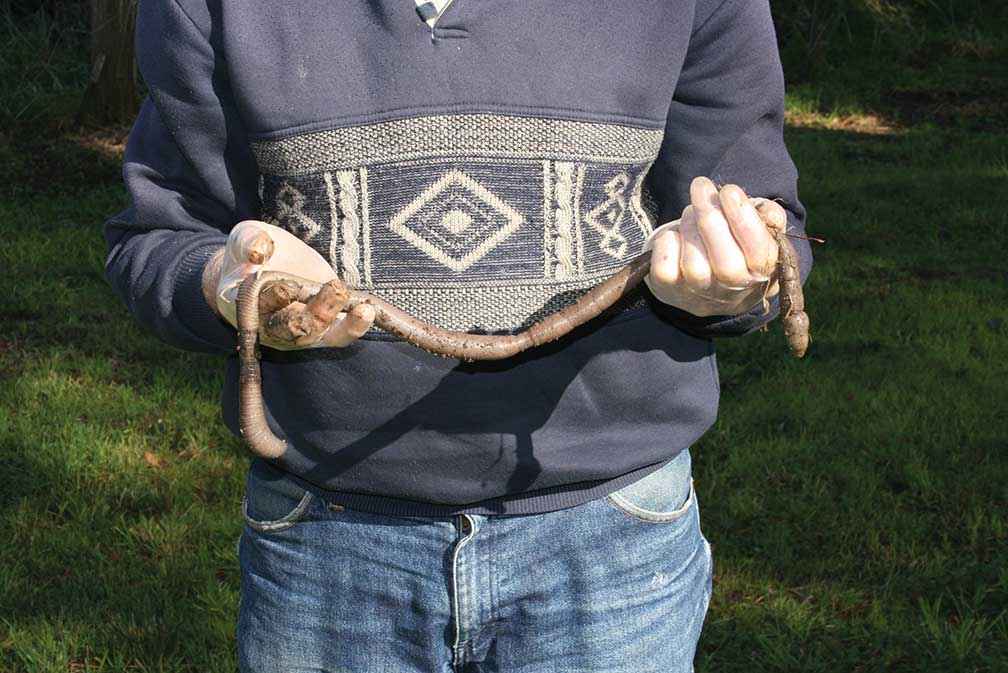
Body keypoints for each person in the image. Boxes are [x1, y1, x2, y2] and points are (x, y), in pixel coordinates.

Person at [104, 0, 813, 670]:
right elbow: (160, 237)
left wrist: (735, 275)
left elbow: (766, 219)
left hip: (614, 541)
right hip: (327, 538)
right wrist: (232, 286)